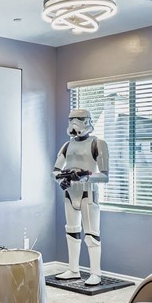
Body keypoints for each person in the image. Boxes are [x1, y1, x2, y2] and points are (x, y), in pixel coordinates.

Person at [53, 108, 109, 285]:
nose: (73, 123)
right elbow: (55, 170)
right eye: (71, 119)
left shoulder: (98, 144)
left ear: (87, 120)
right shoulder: (67, 145)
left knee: (92, 235)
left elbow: (105, 175)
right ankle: (73, 269)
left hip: (88, 193)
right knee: (71, 232)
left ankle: (96, 273)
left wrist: (86, 176)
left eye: (78, 119)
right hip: (70, 192)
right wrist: (60, 180)